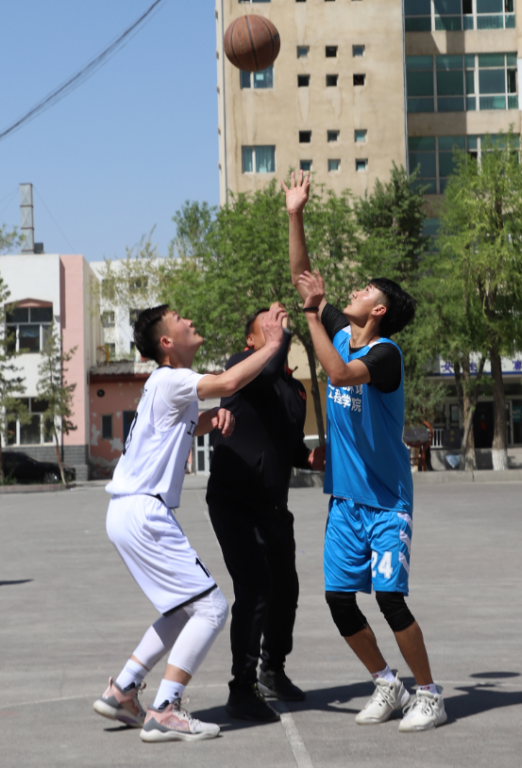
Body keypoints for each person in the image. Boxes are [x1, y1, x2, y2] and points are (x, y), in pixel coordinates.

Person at [283, 171, 447, 733]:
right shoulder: (341, 331)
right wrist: (295, 214)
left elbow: (336, 372)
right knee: (338, 600)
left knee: (390, 600)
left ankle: (429, 693)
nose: (355, 291)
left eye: (366, 290)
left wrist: (312, 314)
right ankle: (386, 682)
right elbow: (304, 280)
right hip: (345, 501)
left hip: (387, 503)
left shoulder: (385, 354)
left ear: (378, 310)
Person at [93, 303, 286, 743]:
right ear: (167, 342)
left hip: (125, 511)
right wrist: (273, 344)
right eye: (180, 320)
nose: (190, 321)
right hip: (145, 512)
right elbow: (229, 382)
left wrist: (207, 421)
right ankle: (165, 709)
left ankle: (123, 689)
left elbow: (173, 428)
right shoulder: (173, 378)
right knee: (212, 607)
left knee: (183, 608)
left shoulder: (163, 386)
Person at [207, 303, 324, 723]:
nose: (279, 330)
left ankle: (273, 670)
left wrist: (312, 459)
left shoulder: (296, 390)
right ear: (250, 340)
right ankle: (241, 689)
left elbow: (291, 448)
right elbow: (269, 367)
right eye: (269, 327)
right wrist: (279, 339)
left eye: (282, 325)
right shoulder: (240, 366)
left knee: (285, 591)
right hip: (235, 502)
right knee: (255, 589)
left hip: (274, 506)